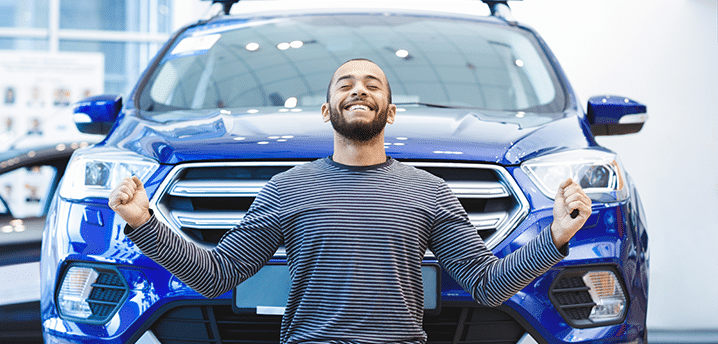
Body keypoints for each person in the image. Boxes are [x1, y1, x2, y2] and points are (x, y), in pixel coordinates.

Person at [109, 58, 592, 344]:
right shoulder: (286, 188)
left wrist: (556, 236)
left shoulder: (428, 190)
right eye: (345, 84)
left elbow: (486, 285)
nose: (359, 88)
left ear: (390, 111)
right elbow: (215, 275)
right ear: (327, 110)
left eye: (372, 84)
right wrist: (144, 222)